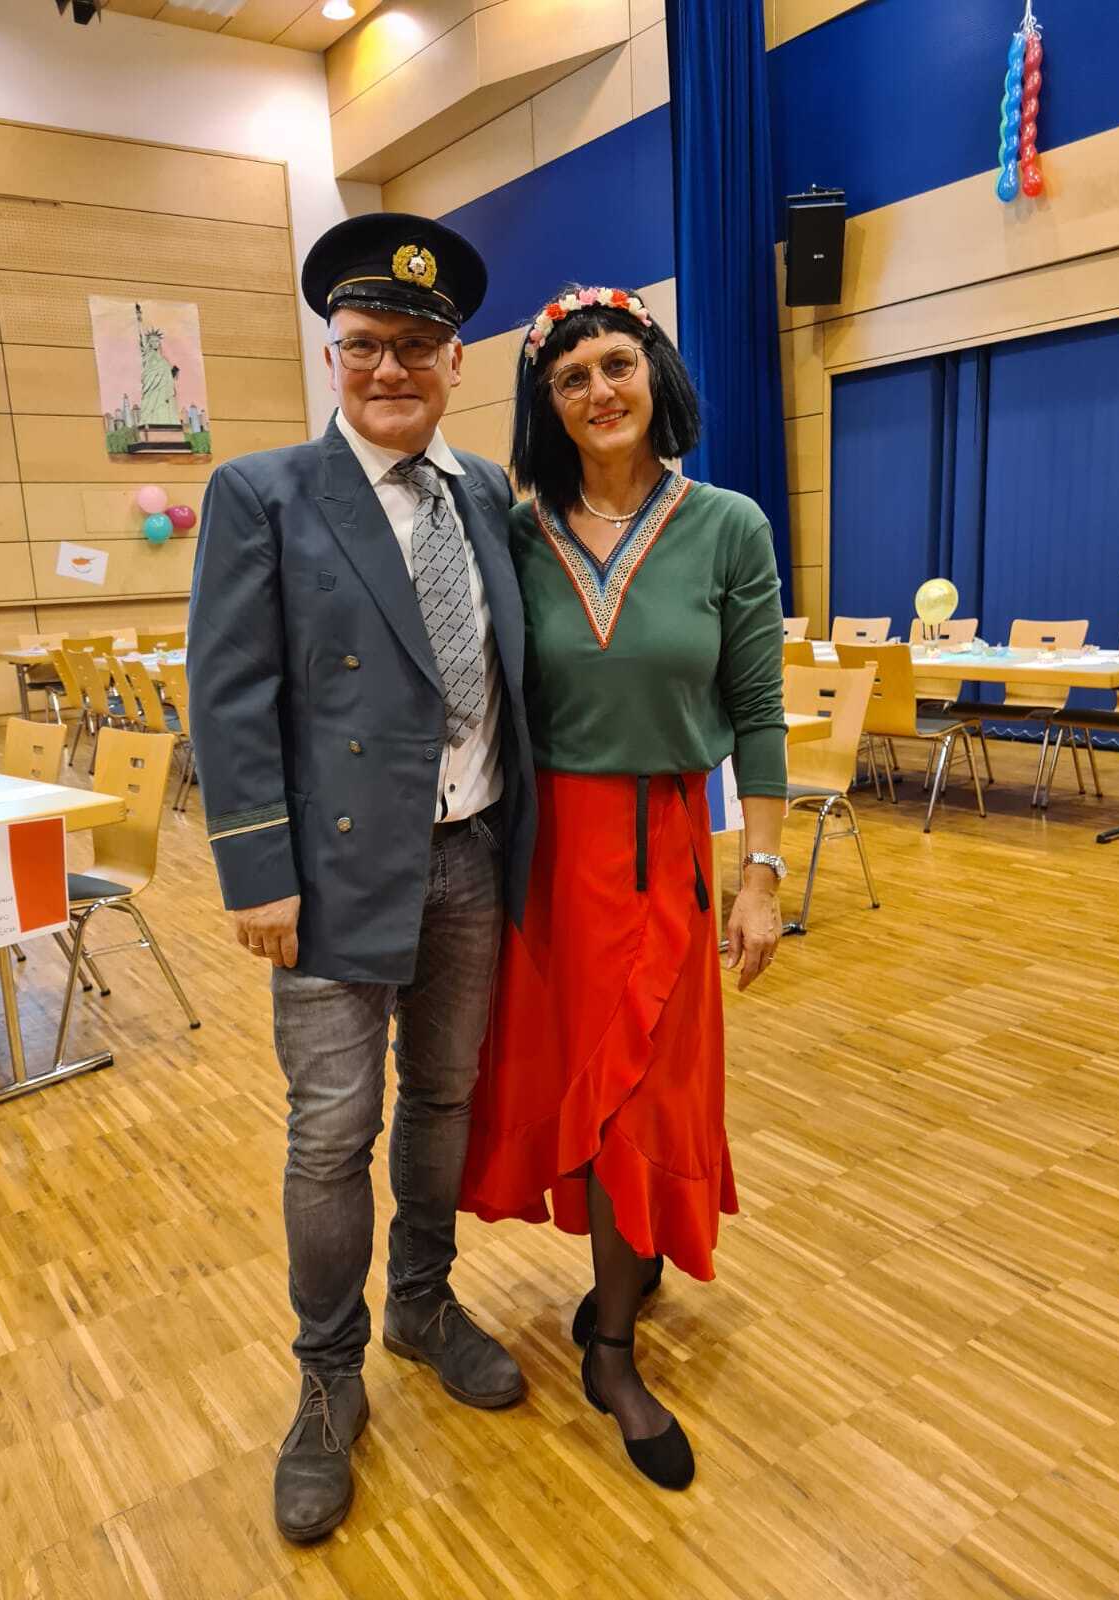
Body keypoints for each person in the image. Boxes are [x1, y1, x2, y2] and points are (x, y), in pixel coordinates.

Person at [187, 213, 538, 1543]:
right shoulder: (263, 492)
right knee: (332, 1133)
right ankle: (328, 1375)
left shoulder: (489, 494)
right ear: (331, 354)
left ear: (457, 361)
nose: (391, 367)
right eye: (365, 344)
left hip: (472, 854)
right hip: (331, 876)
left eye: (418, 345)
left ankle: (422, 1306)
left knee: (444, 1098)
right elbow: (229, 695)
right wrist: (254, 872)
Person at [459, 285, 788, 1491]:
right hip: (551, 857)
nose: (600, 390)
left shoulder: (730, 526)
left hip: (671, 848)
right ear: (546, 404)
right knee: (594, 1093)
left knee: (648, 1094)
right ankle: (611, 1335)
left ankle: (612, 1332)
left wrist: (760, 871)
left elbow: (759, 711)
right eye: (571, 377)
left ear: (655, 374)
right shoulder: (513, 532)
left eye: (617, 364)